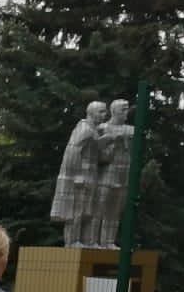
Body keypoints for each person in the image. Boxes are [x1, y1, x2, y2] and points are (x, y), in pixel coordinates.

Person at [52, 101, 106, 248]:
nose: (104, 115)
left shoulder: (94, 130)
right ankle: (73, 241)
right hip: (81, 177)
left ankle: (87, 240)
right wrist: (76, 175)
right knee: (76, 210)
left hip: (92, 175)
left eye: (105, 111)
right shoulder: (84, 129)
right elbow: (72, 151)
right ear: (91, 113)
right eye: (101, 112)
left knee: (88, 211)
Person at [88, 98, 133, 250]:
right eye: (123, 109)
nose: (127, 112)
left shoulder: (131, 130)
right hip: (106, 175)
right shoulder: (102, 128)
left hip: (123, 175)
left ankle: (109, 242)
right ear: (113, 111)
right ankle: (92, 241)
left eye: (127, 109)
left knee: (114, 212)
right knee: (98, 209)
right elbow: (95, 152)